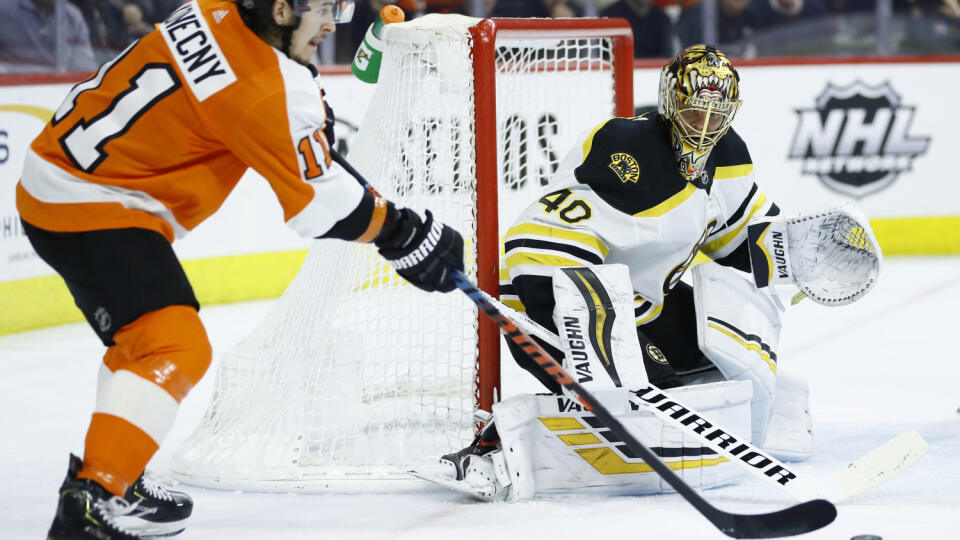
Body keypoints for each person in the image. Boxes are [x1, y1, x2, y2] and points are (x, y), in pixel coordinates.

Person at [18, 0, 464, 537]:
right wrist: (404, 234)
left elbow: (267, 109)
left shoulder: (211, 9)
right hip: (92, 204)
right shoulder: (267, 90)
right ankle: (93, 500)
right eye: (325, 9)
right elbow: (322, 206)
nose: (332, 24)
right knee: (173, 344)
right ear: (280, 10)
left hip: (58, 175)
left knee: (142, 341)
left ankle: (119, 470)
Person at [428, 44, 880, 500]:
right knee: (634, 401)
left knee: (724, 361)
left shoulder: (729, 156)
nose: (704, 126)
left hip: (643, 302)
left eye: (717, 113)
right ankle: (488, 449)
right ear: (669, 101)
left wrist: (803, 254)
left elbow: (741, 240)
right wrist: (594, 338)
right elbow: (534, 244)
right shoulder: (627, 153)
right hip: (552, 293)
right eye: (692, 111)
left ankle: (757, 414)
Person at [0, 0, 97, 72]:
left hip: (59, 90)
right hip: (11, 90)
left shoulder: (71, 16)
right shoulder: (4, 10)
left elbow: (84, 67)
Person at [600, 0, 673, 58]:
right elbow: (604, 58)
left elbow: (665, 58)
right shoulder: (609, 17)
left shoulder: (662, 18)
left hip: (653, 74)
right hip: (616, 74)